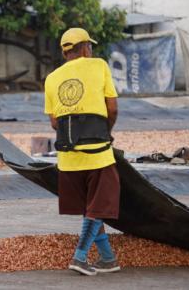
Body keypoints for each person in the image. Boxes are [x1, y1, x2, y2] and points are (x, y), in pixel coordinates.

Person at [44, 28, 121, 276]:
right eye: (90, 47)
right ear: (86, 48)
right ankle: (80, 256)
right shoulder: (99, 66)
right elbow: (113, 108)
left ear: (65, 52)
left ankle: (108, 259)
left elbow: (55, 122)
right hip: (97, 153)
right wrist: (104, 130)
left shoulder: (52, 78)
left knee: (92, 208)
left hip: (67, 160)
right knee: (99, 207)